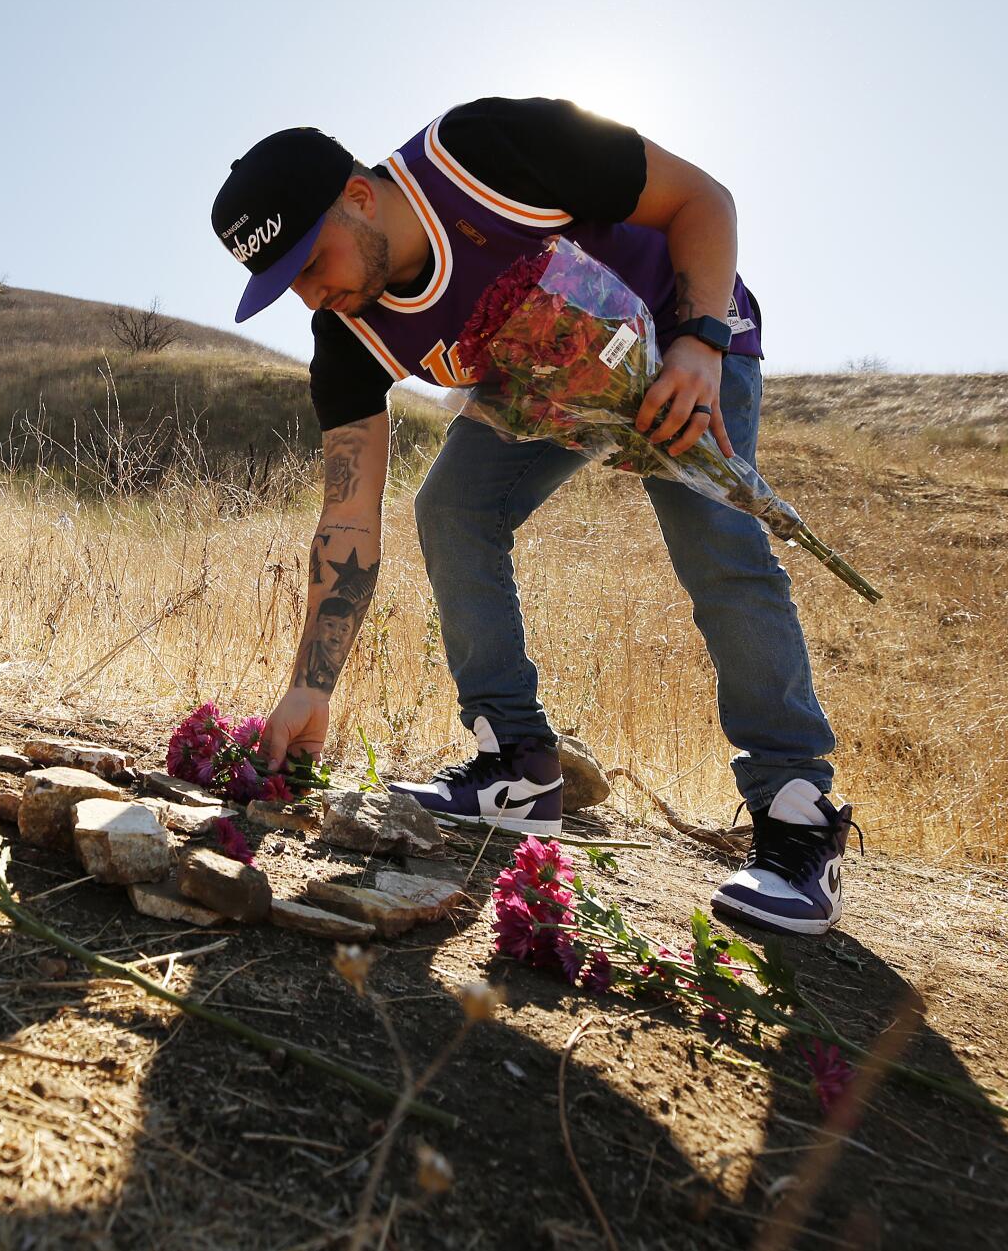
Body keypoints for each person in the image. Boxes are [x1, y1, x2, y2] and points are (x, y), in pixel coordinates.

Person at [211, 99, 856, 935]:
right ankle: (516, 763)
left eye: (311, 260)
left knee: (714, 539)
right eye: (285, 283)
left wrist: (699, 341)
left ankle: (798, 815)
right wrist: (309, 684)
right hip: (545, 380)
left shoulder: (484, 152)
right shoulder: (348, 337)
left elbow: (704, 200)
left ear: (359, 197)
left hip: (678, 329)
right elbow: (348, 521)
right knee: (451, 509)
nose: (311, 293)